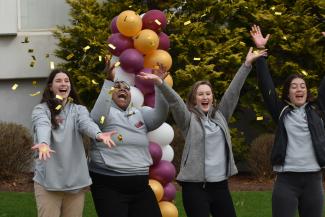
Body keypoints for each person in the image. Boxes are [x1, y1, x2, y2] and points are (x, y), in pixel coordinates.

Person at [138, 48, 267, 217]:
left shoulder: (220, 116)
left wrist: (246, 64)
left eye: (208, 93)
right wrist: (161, 84)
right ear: (194, 99)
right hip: (195, 188)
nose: (205, 97)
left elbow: (233, 92)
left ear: (212, 97)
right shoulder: (188, 120)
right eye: (200, 94)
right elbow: (176, 103)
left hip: (220, 186)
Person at [251, 25, 325, 217]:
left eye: (303, 86)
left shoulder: (317, 109)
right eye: (294, 87)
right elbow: (265, 85)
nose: (299, 89)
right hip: (286, 181)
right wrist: (260, 53)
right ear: (288, 93)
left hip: (313, 181)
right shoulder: (281, 111)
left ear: (307, 91)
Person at [88, 61, 169, 217]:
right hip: (108, 185)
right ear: (110, 92)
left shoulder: (141, 114)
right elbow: (97, 116)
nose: (122, 89)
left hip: (140, 186)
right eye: (117, 87)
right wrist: (110, 81)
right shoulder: (104, 113)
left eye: (126, 88)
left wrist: (159, 85)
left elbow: (161, 115)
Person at [31, 69, 115, 217]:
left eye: (66, 80)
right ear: (50, 87)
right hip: (48, 183)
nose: (63, 83)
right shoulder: (41, 109)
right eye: (58, 80)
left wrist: (98, 134)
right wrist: (44, 142)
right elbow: (42, 125)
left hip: (76, 183)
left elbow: (86, 123)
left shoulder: (78, 110)